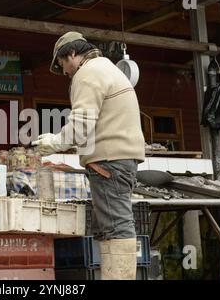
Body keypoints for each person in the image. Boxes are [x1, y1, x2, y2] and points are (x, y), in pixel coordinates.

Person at [32, 32, 145, 280]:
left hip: (109, 160)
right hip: (118, 158)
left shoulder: (88, 73)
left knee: (115, 226)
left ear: (72, 54)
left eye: (62, 64)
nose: (64, 72)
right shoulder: (107, 68)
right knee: (110, 226)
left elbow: (82, 122)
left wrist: (56, 141)